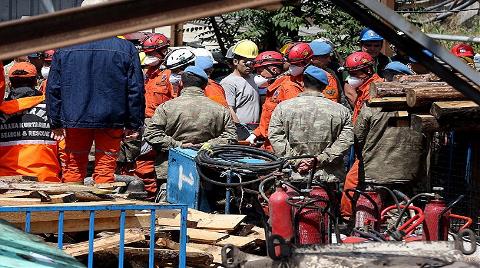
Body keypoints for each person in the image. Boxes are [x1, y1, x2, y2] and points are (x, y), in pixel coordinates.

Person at [46, 22, 145, 184]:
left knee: (74, 166)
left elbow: (53, 88)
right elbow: (135, 89)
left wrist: (55, 121)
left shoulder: (64, 48)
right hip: (112, 117)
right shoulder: (126, 48)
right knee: (105, 167)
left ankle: (71, 205)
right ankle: (103, 207)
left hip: (75, 116)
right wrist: (133, 123)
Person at [143, 66, 237, 191]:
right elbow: (231, 136)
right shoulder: (220, 110)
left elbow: (151, 134)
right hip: (208, 170)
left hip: (171, 169)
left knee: (168, 207)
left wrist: (178, 145)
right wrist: (207, 145)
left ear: (181, 83)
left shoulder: (166, 107)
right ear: (204, 86)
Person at [269, 66, 353, 183]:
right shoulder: (341, 111)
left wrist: (297, 161)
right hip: (328, 177)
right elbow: (345, 141)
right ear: (324, 86)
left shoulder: (283, 108)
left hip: (294, 175)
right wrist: (319, 160)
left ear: (303, 83)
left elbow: (276, 137)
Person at [0, 62, 60, 182]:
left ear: (10, 83)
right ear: (35, 82)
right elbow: (65, 150)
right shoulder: (52, 110)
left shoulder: (1, 112)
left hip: (5, 184)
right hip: (46, 181)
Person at [340, 51, 384, 216]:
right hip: (364, 144)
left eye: (354, 73)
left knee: (352, 182)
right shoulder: (363, 89)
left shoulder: (375, 90)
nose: (351, 77)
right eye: (349, 73)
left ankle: (347, 216)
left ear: (367, 71)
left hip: (372, 146)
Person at [220, 39, 260, 125]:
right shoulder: (228, 82)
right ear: (235, 61)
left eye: (252, 62)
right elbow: (229, 109)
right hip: (241, 130)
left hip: (255, 129)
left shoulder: (254, 79)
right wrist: (240, 129)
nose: (249, 66)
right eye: (246, 62)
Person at [195, 54, 240, 123]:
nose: (209, 74)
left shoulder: (211, 86)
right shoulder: (212, 86)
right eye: (208, 71)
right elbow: (224, 110)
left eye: (211, 70)